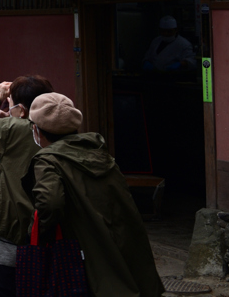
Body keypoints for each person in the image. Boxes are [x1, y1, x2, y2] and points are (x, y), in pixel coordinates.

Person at [27, 93, 164, 297]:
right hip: (121, 242)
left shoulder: (48, 161)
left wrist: (40, 231)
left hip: (79, 251)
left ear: (37, 130)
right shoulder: (99, 152)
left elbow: (50, 203)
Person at [0, 75, 53, 297]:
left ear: (22, 110)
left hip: (9, 239)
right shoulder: (57, 127)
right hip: (48, 237)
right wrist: (7, 118)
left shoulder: (12, 131)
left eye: (10, 103)